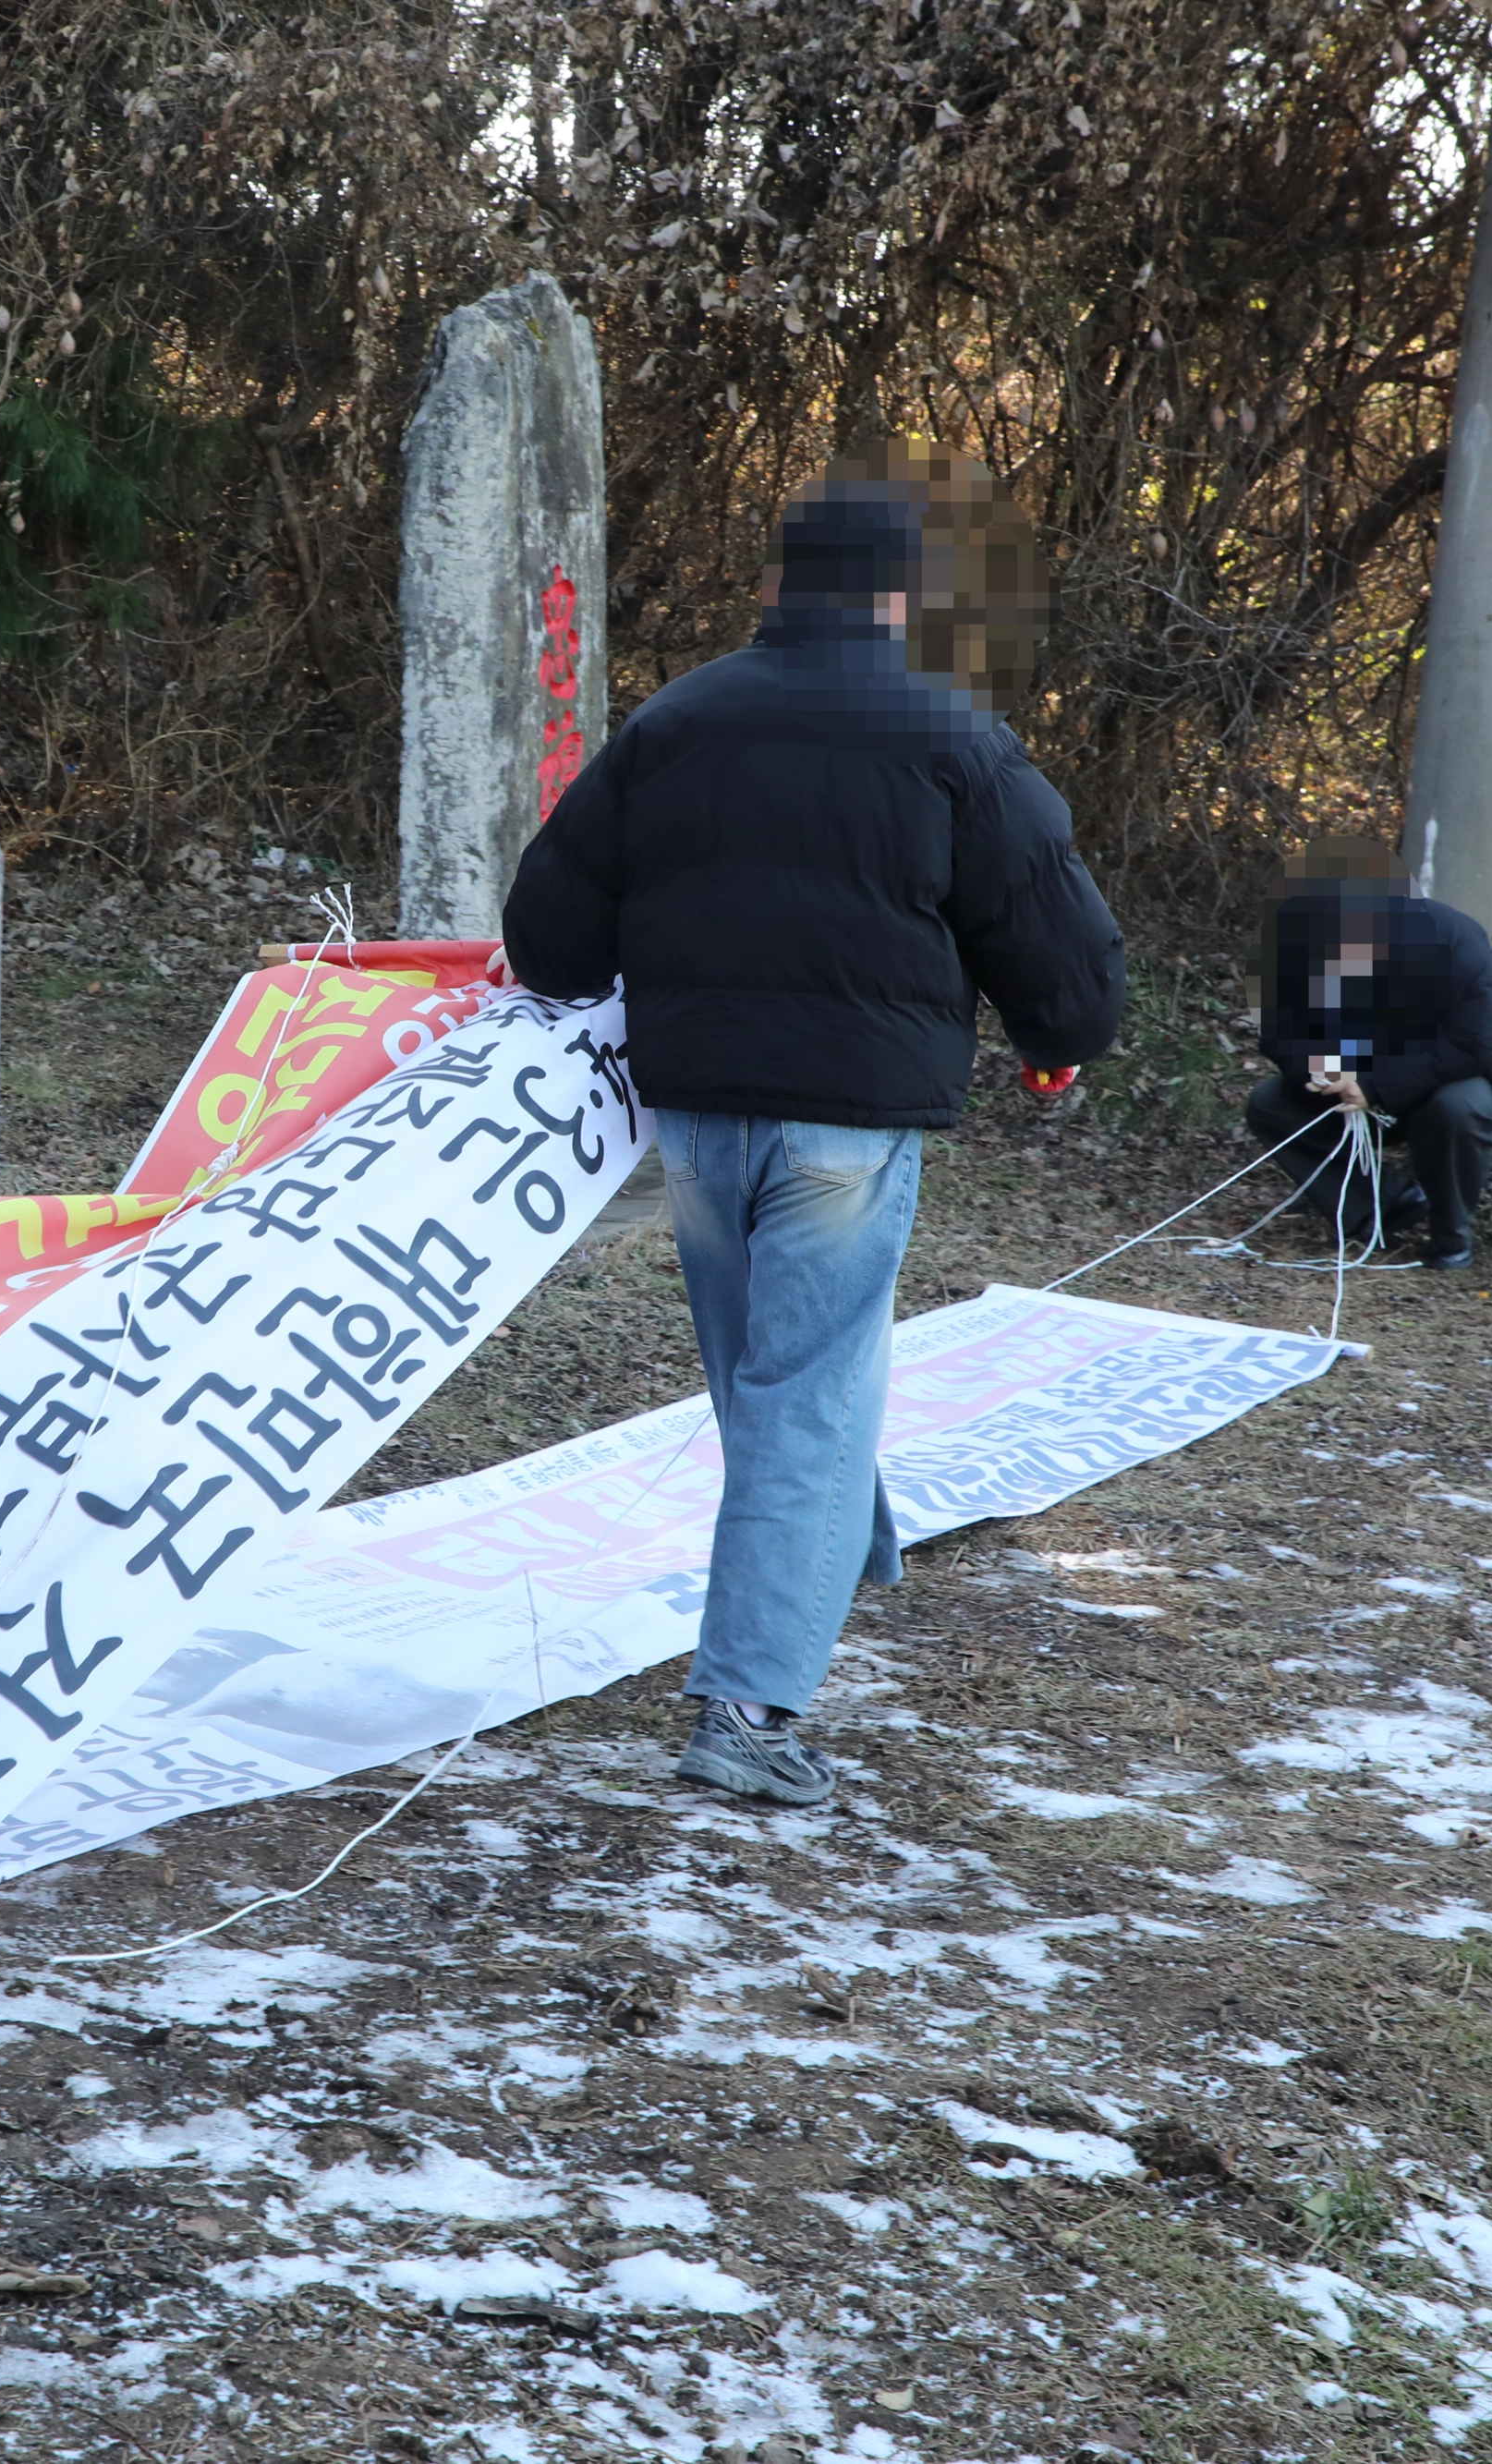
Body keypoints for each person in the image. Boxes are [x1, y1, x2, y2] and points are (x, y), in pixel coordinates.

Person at [502, 462, 1125, 1809]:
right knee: (804, 1394)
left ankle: (829, 1551)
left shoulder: (677, 719)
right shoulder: (952, 734)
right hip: (848, 1124)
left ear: (780, 582)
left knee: (772, 1387)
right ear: (902, 596)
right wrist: (1057, 1035)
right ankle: (746, 1709)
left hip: (698, 1116)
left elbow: (548, 934)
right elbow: (1059, 945)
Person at [1247, 839, 1492, 1270]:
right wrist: (1321, 1068)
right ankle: (1384, 1206)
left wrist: (1375, 1087)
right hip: (1371, 1074)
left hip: (1468, 1074)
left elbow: (1475, 1042)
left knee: (1456, 1108)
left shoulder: (1452, 936)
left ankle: (1450, 1236)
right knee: (1270, 1104)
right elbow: (1281, 1031)